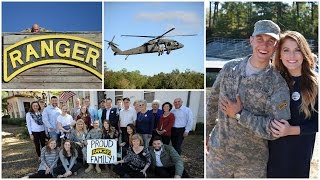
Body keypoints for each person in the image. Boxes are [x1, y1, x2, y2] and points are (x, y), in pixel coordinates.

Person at [206, 20, 291, 178]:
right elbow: (212, 102)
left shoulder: (277, 84)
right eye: (260, 39)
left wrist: (240, 115)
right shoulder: (229, 69)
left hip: (251, 165)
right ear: (251, 40)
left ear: (276, 46)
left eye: (270, 41)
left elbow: (277, 129)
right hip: (218, 157)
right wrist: (205, 131)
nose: (264, 46)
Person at [267, 31, 318, 178]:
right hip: (271, 154)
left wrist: (291, 130)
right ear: (280, 55)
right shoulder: (273, 81)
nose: (291, 56)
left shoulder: (315, 84)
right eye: (286, 50)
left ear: (304, 53)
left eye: (297, 50)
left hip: (299, 155)